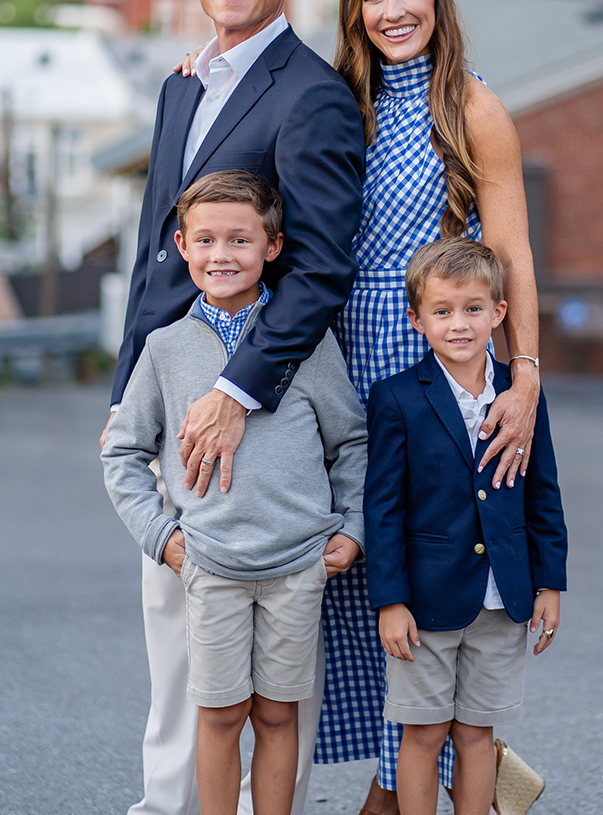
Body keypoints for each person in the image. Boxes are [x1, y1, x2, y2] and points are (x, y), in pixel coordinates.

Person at [175, 0, 544, 814]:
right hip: (341, 354)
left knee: (427, 566)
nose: (392, 13)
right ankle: (438, 768)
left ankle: (411, 785)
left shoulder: (473, 105)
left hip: (431, 356)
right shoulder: (341, 97)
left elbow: (513, 252)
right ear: (353, 11)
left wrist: (522, 372)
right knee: (356, 571)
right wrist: (209, 75)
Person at [101, 0, 366, 815]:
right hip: (165, 387)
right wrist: (125, 388)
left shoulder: (314, 96)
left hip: (256, 403)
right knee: (174, 634)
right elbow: (154, 253)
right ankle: (165, 806)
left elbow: (321, 267)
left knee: (272, 679)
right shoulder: (182, 85)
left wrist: (235, 388)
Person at [103, 171, 367, 815]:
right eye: (207, 240)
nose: (222, 255)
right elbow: (123, 453)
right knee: (219, 716)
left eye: (240, 240)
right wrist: (163, 538)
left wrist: (353, 526)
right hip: (209, 565)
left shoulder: (302, 342)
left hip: (297, 566)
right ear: (183, 246)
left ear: (271, 248)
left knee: (278, 715)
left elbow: (352, 442)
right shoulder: (164, 350)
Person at [364, 238, 567, 815]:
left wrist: (550, 583)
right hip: (426, 602)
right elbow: (383, 509)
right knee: (423, 734)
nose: (459, 324)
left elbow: (543, 493)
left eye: (474, 309)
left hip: (504, 597)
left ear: (499, 314)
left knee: (478, 735)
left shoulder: (522, 397)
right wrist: (391, 600)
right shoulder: (396, 398)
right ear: (417, 318)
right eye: (443, 311)